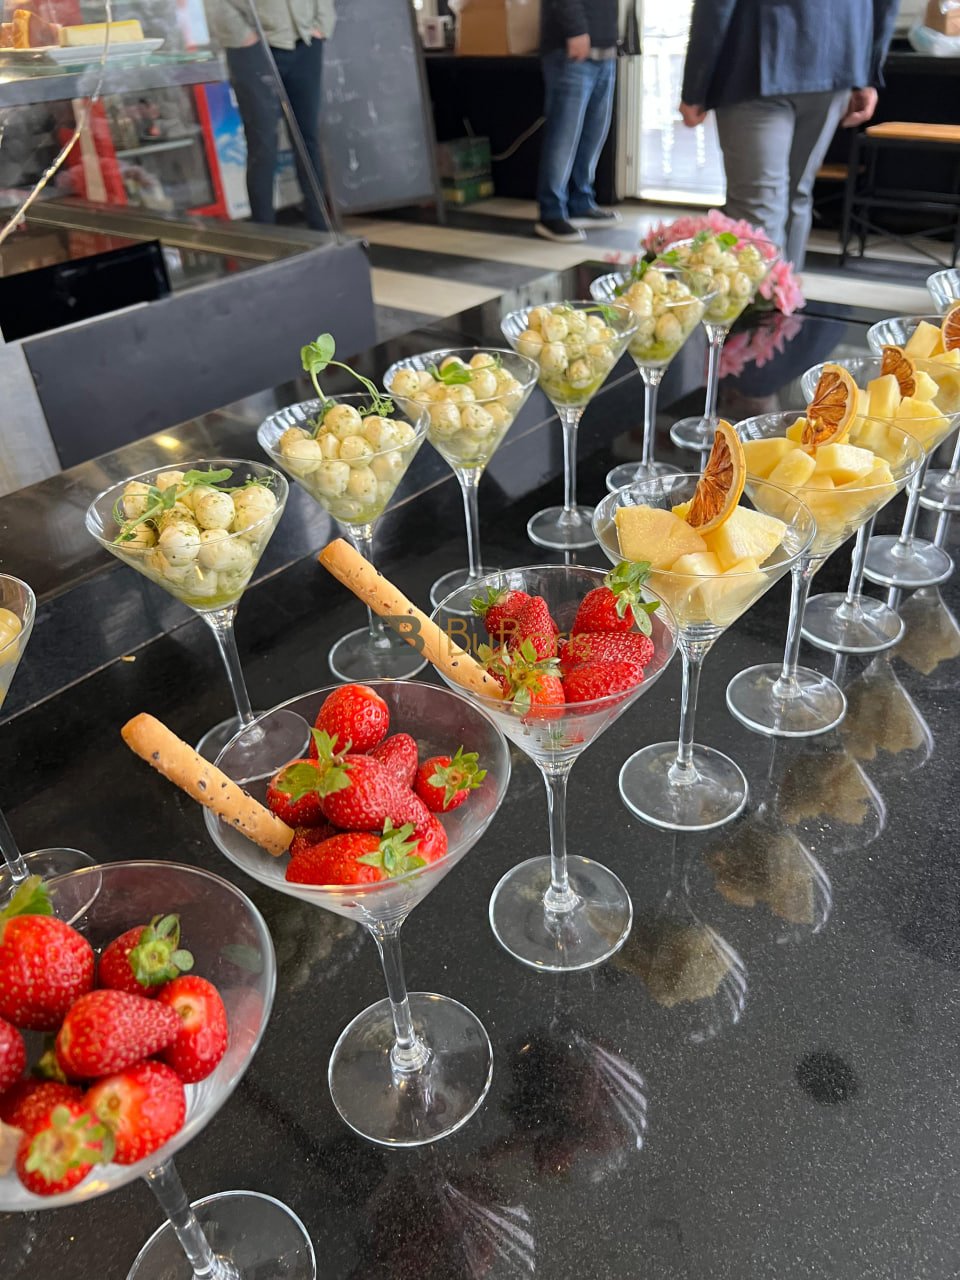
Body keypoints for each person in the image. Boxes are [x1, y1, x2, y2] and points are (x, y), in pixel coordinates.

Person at [679, 0, 899, 269]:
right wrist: (869, 69)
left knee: (758, 206)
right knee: (797, 195)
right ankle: (784, 292)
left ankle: (768, 294)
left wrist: (695, 85)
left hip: (754, 57)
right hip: (838, 50)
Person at [205, 0, 336, 231]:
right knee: (262, 143)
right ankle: (264, 233)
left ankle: (321, 226)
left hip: (305, 42)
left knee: (308, 139)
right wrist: (243, 37)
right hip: (252, 48)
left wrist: (323, 25)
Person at [535, 0, 621, 244]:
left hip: (604, 48)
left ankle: (580, 202)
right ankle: (551, 212)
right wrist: (575, 29)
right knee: (564, 136)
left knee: (593, 134)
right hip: (571, 47)